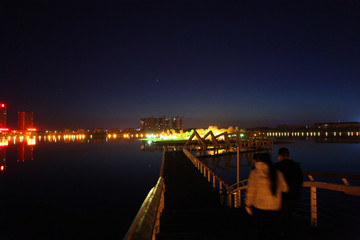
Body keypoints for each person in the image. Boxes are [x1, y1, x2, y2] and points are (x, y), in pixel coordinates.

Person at [245, 153, 288, 239]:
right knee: (275, 230)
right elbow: (285, 189)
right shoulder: (277, 172)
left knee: (262, 230)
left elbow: (251, 191)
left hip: (260, 207)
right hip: (275, 207)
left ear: (255, 161)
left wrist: (248, 204)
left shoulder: (254, 173)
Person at [274, 147, 304, 239]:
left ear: (279, 156)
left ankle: (281, 234)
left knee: (279, 217)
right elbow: (300, 180)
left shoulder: (276, 167)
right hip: (293, 196)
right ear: (288, 155)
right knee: (289, 216)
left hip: (280, 197)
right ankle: (289, 233)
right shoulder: (296, 166)